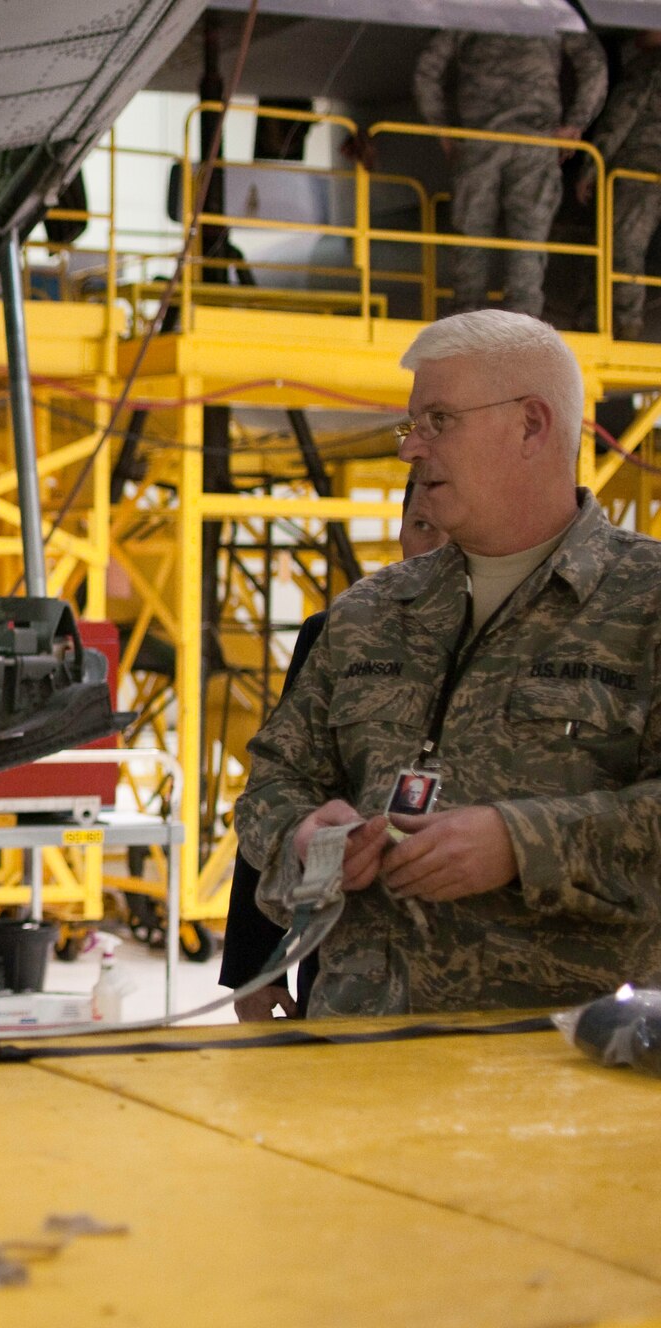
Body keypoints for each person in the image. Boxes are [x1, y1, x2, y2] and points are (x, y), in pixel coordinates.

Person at [236, 310, 661, 1016]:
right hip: (356, 1064)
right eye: (413, 425)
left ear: (531, 425)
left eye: (439, 420)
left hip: (561, 1079)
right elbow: (273, 785)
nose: (412, 450)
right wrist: (305, 838)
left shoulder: (646, 605)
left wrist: (520, 843)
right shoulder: (370, 613)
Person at [224, 481, 446, 1020]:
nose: (436, 549)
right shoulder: (342, 632)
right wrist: (255, 965)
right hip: (347, 967)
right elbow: (284, 786)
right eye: (420, 527)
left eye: (453, 532)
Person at [414, 29, 605, 319]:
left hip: (479, 141)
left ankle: (467, 318)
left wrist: (442, 129)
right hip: (535, 143)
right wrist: (575, 124)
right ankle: (522, 321)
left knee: (472, 234)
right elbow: (594, 64)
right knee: (528, 238)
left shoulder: (473, 9)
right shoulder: (550, 11)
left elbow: (427, 68)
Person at [577, 31, 661, 339]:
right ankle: (600, 315)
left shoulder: (649, 67)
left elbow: (621, 118)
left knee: (623, 245)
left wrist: (590, 168)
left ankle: (625, 321)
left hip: (640, 168)